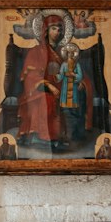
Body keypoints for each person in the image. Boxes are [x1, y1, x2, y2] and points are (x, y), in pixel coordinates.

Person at [17, 15, 66, 149]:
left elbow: (69, 71)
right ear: (46, 31)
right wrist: (48, 85)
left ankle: (59, 136)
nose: (57, 32)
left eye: (59, 29)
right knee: (47, 99)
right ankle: (41, 137)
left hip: (60, 87)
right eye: (53, 28)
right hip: (38, 90)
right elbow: (30, 76)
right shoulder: (36, 51)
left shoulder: (63, 52)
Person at [57, 42, 86, 143]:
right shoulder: (64, 64)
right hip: (65, 85)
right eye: (68, 53)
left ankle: (73, 129)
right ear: (66, 54)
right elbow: (60, 76)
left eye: (71, 53)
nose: (70, 54)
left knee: (73, 108)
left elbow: (80, 76)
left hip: (73, 86)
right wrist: (55, 77)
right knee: (65, 109)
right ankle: (66, 123)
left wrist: (73, 74)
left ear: (74, 54)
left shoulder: (76, 64)